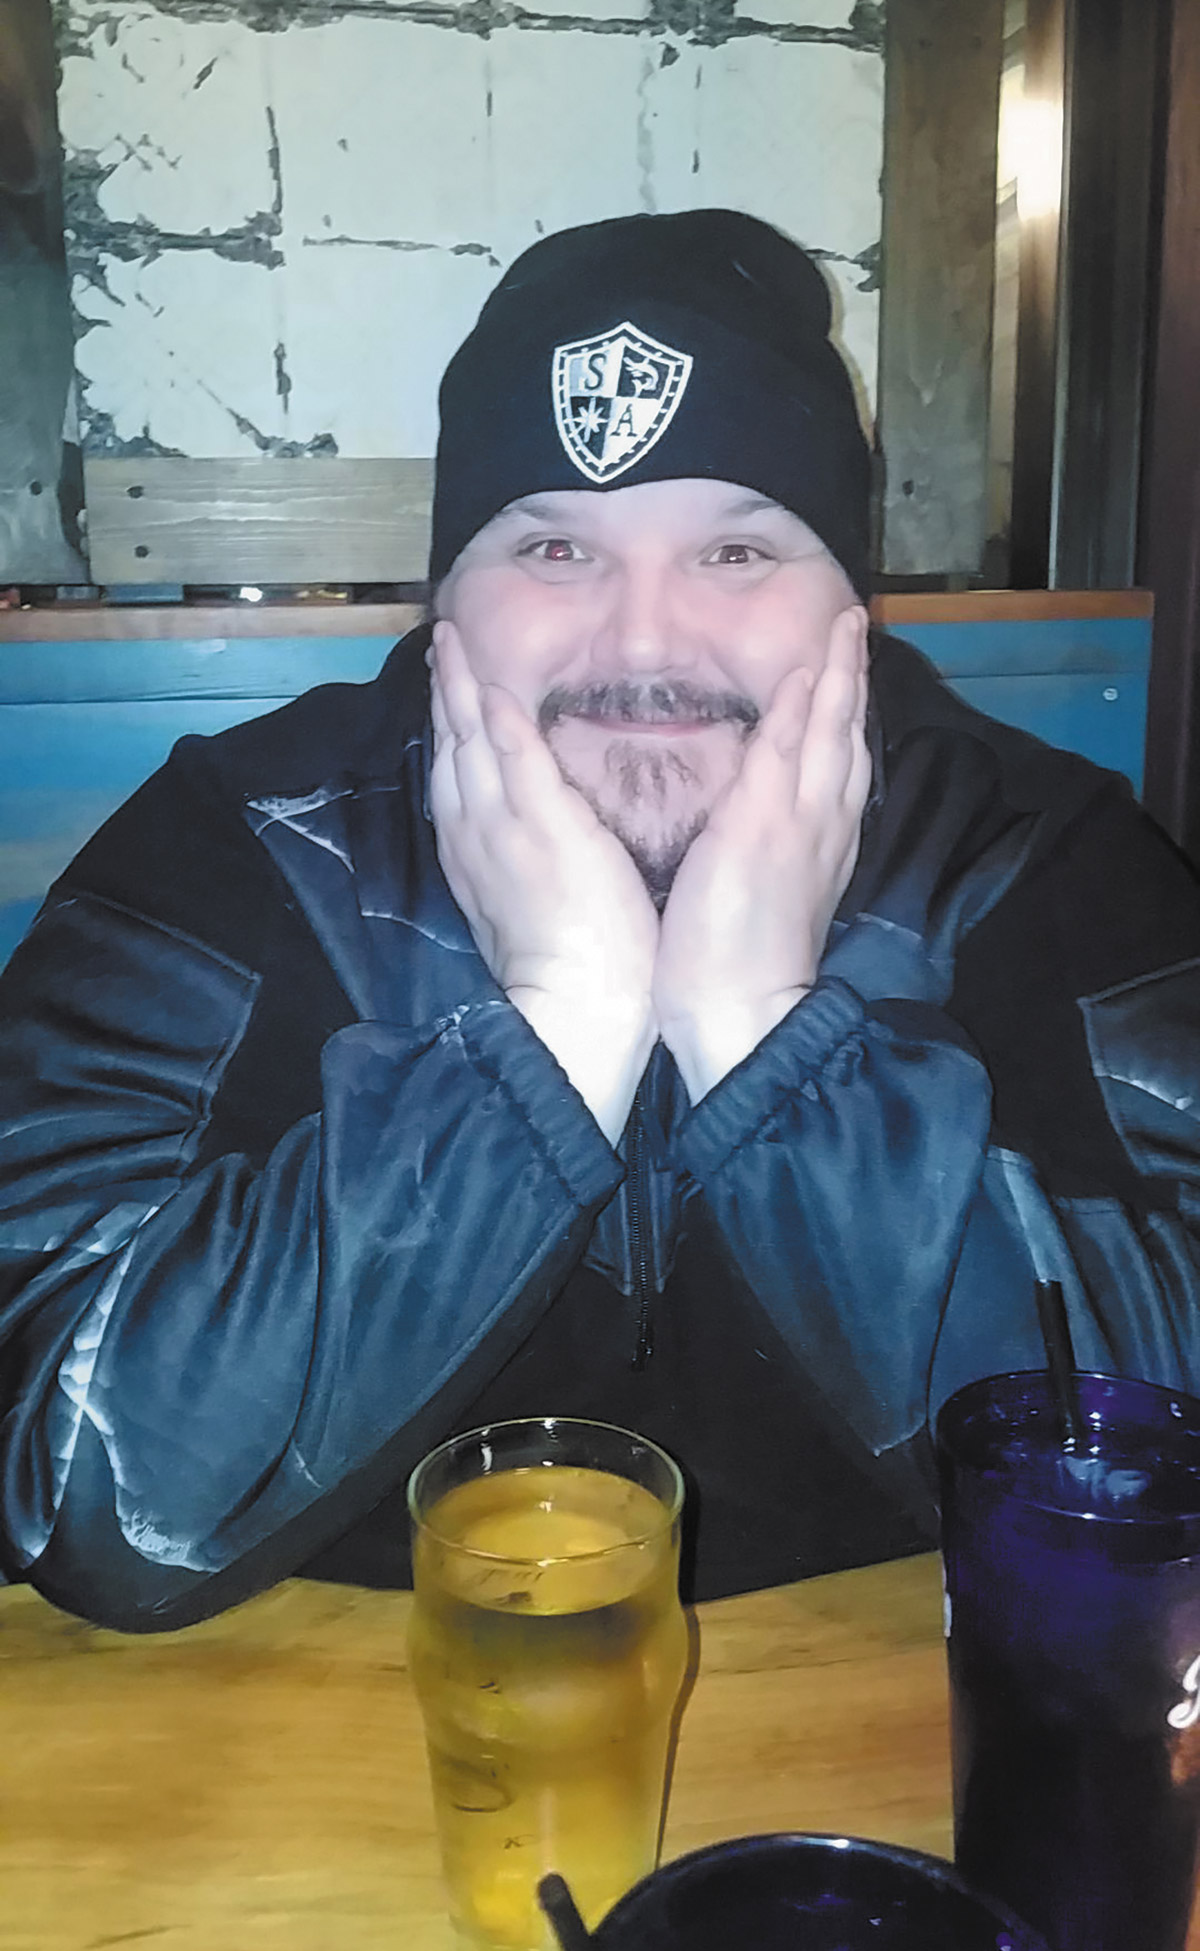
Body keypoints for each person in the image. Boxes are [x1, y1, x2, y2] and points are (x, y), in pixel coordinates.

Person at [1, 210, 1198, 1633]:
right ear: (445, 604)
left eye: (737, 553)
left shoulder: (1039, 851)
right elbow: (64, 1480)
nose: (643, 643)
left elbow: (1164, 1478)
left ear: (853, 609)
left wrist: (765, 1038)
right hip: (346, 1724)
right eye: (556, 548)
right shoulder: (240, 839)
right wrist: (556, 1026)